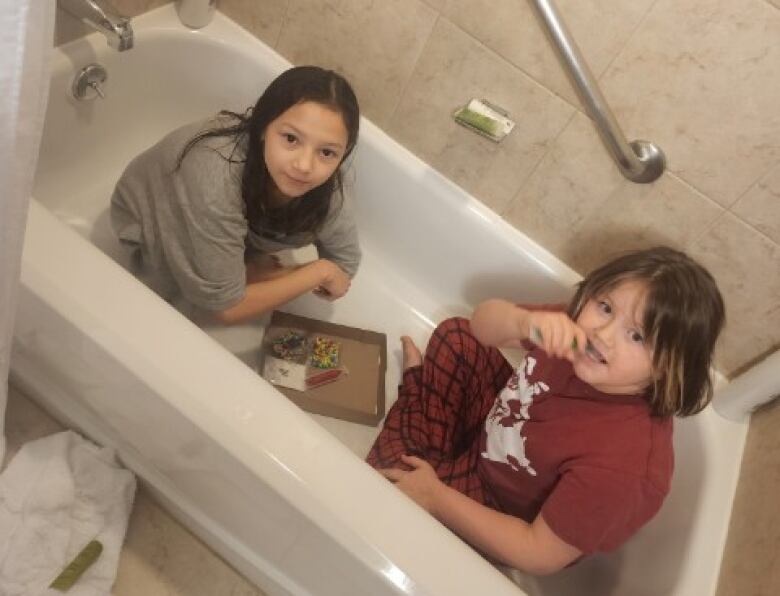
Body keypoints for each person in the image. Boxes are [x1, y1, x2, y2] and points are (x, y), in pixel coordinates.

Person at [367, 246, 725, 575]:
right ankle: (426, 433)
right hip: (496, 435)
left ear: (669, 369)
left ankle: (417, 402)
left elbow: (537, 554)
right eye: (605, 307)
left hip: (500, 508)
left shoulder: (624, 467)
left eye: (637, 336)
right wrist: (523, 323)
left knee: (380, 491)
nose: (602, 334)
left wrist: (436, 497)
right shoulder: (572, 333)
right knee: (457, 336)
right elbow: (481, 326)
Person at [110, 66, 361, 324]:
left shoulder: (329, 186)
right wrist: (316, 272)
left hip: (226, 230)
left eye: (327, 152)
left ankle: (240, 269)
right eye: (290, 138)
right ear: (263, 127)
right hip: (151, 225)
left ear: (344, 153)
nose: (305, 166)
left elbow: (345, 264)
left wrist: (278, 276)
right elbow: (224, 309)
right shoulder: (214, 174)